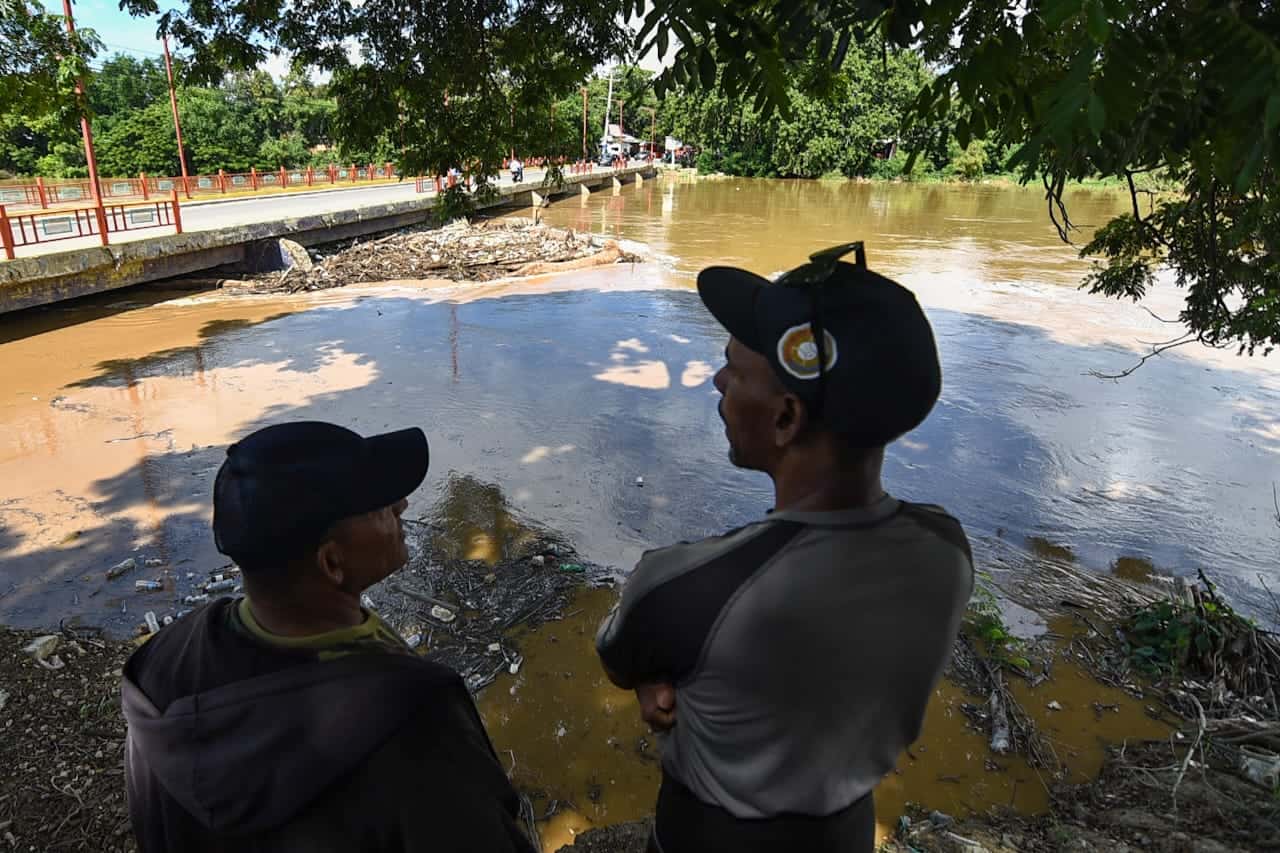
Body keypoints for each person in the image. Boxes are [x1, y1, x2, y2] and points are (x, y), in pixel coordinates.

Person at [595, 242, 974, 853]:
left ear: (784, 419)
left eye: (733, 369)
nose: (717, 381)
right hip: (847, 832)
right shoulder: (947, 551)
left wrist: (660, 678)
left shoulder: (692, 587)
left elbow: (620, 656)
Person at [121, 421, 535, 853]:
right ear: (332, 563)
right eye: (378, 505)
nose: (402, 505)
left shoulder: (161, 668)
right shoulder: (413, 723)